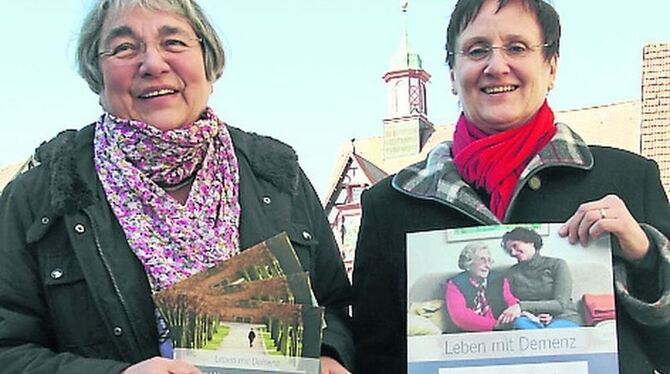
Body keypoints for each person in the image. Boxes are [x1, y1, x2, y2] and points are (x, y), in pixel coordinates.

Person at [0, 1, 352, 373]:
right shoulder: (41, 197)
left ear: (208, 62)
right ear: (97, 75)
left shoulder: (278, 176)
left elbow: (334, 307)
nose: (153, 64)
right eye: (124, 48)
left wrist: (329, 355)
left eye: (174, 42)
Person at [352, 0, 670, 373]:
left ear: (551, 67)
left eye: (517, 47)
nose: (496, 65)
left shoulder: (628, 180)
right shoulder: (389, 206)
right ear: (453, 75)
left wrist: (646, 259)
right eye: (476, 50)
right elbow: (375, 358)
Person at [500, 227, 580, 329]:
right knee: (521, 324)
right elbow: (509, 301)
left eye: (515, 246)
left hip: (563, 317)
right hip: (530, 318)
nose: (513, 253)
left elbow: (560, 304)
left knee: (554, 333)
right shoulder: (512, 273)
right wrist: (532, 315)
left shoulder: (557, 264)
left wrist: (521, 306)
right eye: (509, 250)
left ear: (530, 242)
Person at [444, 242, 520, 332]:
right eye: (482, 260)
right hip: (473, 333)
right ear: (468, 263)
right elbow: (460, 317)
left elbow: (510, 301)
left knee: (521, 322)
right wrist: (495, 326)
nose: (487, 265)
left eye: (489, 260)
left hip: (504, 328)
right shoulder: (455, 284)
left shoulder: (499, 279)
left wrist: (516, 307)